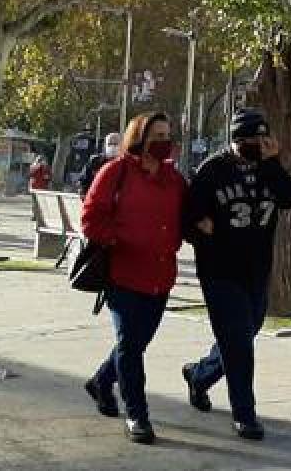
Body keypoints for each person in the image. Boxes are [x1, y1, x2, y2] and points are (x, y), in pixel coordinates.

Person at [181, 108, 291, 442]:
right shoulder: (213, 170)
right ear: (235, 140)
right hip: (220, 271)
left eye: (260, 141)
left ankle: (199, 375)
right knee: (239, 344)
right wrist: (200, 228)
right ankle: (244, 414)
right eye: (248, 141)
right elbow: (187, 214)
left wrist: (272, 162)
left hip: (257, 270)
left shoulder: (269, 169)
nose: (255, 146)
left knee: (245, 335)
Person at [81, 112, 186, 445]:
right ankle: (137, 414)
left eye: (167, 135)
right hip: (123, 274)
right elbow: (90, 217)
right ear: (139, 137)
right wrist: (118, 239)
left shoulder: (174, 178)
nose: (163, 141)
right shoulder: (117, 171)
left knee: (137, 342)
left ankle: (101, 381)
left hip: (160, 276)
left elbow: (191, 213)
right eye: (156, 135)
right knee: (130, 345)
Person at [80, 132, 122, 199]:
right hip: (96, 199)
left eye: (116, 144)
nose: (113, 147)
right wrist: (85, 196)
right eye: (110, 144)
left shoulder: (125, 164)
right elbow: (84, 181)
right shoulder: (95, 161)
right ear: (105, 145)